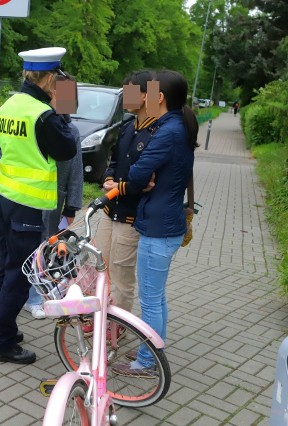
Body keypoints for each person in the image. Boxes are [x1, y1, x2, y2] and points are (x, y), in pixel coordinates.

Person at [0, 47, 77, 364]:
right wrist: (60, 108)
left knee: (5, 266)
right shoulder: (44, 115)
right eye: (58, 80)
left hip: (5, 198)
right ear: (50, 78)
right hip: (27, 204)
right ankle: (2, 343)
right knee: (19, 275)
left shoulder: (11, 104)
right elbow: (67, 148)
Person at [110, 70, 198, 376]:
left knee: (150, 300)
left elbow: (135, 175)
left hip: (159, 228)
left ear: (159, 97)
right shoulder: (176, 125)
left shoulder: (168, 131)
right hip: (165, 223)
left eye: (148, 92)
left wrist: (137, 175)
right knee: (156, 297)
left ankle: (147, 362)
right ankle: (152, 349)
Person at [94, 70, 158, 321]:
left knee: (122, 276)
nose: (125, 97)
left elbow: (147, 181)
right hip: (110, 211)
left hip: (131, 217)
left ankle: (117, 326)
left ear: (146, 96)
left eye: (130, 91)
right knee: (100, 268)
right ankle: (98, 319)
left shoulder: (156, 132)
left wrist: (118, 186)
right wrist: (108, 178)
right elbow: (114, 159)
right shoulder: (128, 125)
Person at [23, 111, 83, 319]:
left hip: (54, 199)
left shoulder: (70, 131)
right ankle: (21, 296)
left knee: (44, 250)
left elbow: (76, 169)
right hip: (25, 196)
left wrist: (72, 206)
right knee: (24, 248)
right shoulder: (32, 122)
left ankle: (34, 299)